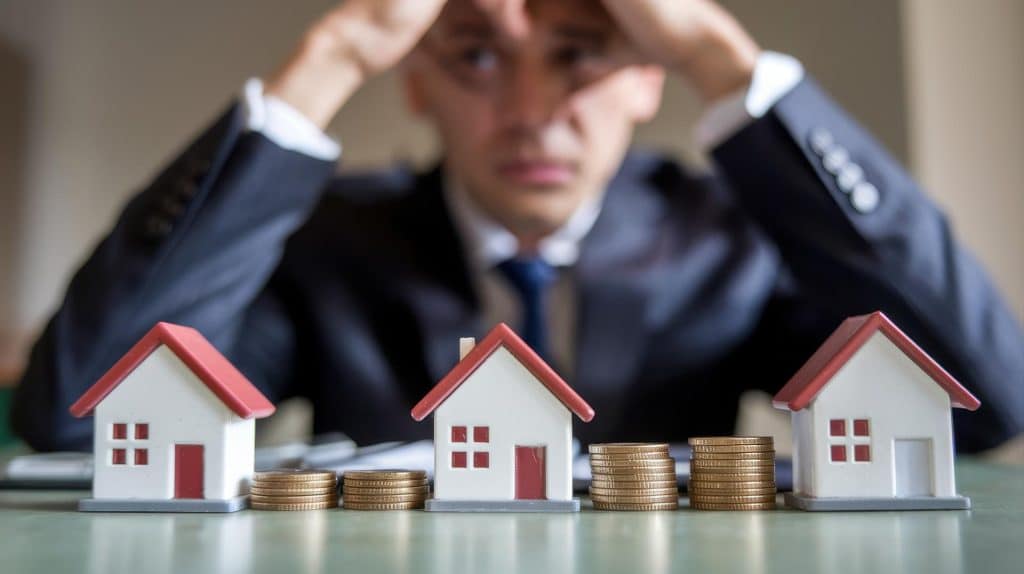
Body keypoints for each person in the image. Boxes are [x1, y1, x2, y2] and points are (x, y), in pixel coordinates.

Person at [11, 0, 1023, 452]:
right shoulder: (334, 243)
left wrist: (716, 52)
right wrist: (336, 52)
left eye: (579, 52)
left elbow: (983, 400)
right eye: (479, 57)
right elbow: (79, 418)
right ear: (416, 82)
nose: (533, 112)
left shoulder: (728, 237)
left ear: (646, 78)